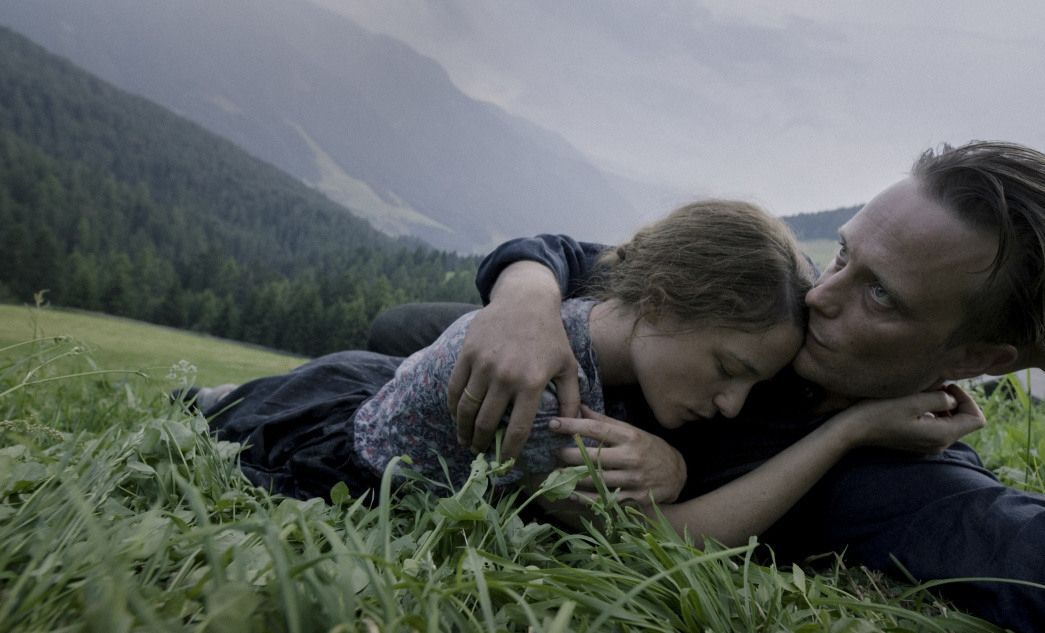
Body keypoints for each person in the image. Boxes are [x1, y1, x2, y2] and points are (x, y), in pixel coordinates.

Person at [367, 141, 1045, 631]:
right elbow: (593, 259)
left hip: (516, 447)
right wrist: (522, 300)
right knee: (397, 327)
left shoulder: (913, 480)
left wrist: (850, 431)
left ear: (972, 358)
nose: (821, 295)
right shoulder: (790, 312)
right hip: (542, 366)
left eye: (881, 296)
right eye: (842, 254)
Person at [200, 200, 980, 548]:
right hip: (338, 457)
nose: (730, 402)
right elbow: (660, 541)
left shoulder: (614, 318)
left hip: (368, 392)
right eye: (727, 369)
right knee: (226, 415)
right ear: (663, 300)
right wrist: (847, 432)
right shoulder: (548, 395)